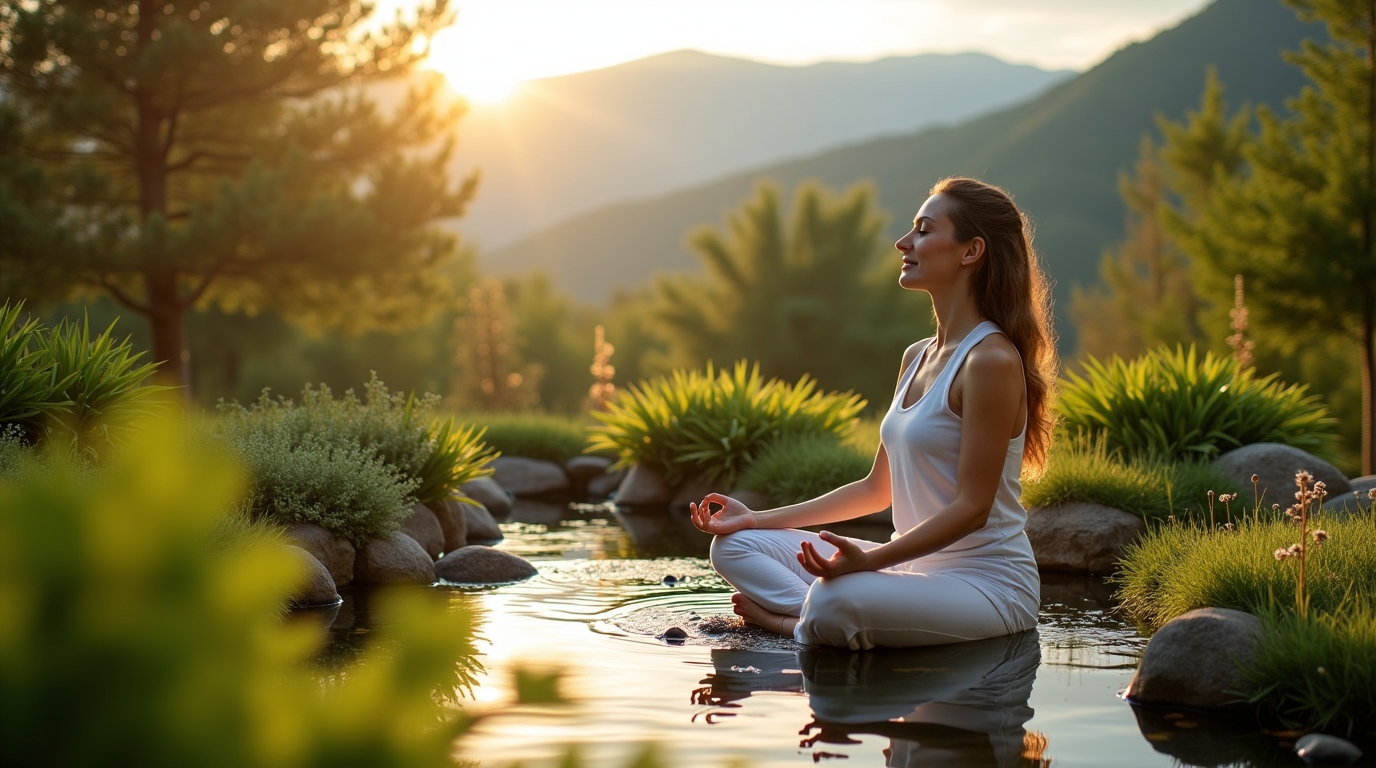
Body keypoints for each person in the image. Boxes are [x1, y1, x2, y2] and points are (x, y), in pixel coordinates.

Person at [690, 177, 1057, 649]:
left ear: (971, 251)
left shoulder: (990, 361)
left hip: (986, 587)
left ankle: (789, 623)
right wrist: (756, 519)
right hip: (906, 570)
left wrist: (870, 561)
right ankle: (820, 620)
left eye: (924, 230)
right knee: (734, 547)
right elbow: (874, 489)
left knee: (833, 600)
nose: (904, 242)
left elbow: (973, 508)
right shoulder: (917, 356)